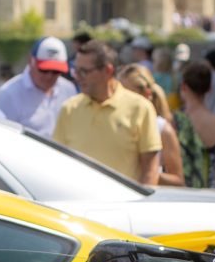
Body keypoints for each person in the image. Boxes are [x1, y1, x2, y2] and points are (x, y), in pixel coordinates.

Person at [55, 42, 161, 183]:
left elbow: (150, 170)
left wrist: (141, 205)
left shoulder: (140, 108)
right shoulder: (69, 108)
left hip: (124, 205)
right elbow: (58, 164)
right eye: (76, 70)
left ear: (108, 71)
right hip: (76, 204)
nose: (77, 77)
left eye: (84, 71)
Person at [119, 63, 185, 186]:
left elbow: (178, 181)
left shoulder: (163, 129)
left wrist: (148, 173)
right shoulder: (118, 124)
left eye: (129, 95)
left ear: (147, 94)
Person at [0, 37, 77, 133]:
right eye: (44, 70)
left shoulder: (69, 90)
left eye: (56, 71)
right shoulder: (7, 94)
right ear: (30, 61)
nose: (49, 76)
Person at [173, 60, 215, 188]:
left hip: (180, 195)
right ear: (210, 88)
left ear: (183, 86)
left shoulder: (175, 121)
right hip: (212, 196)